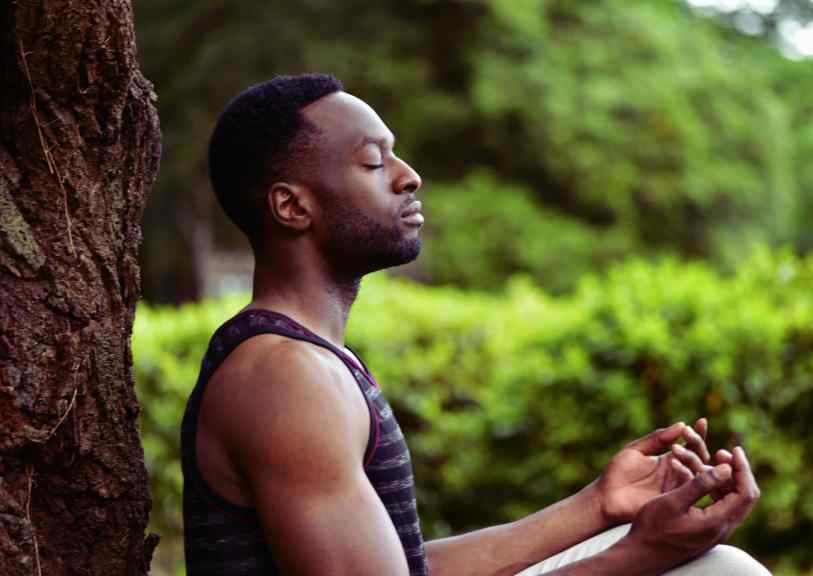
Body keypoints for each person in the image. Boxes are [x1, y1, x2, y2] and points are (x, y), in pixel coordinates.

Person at [180, 73, 770, 576]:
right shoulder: (284, 377)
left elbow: (405, 564)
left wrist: (600, 506)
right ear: (292, 206)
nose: (407, 176)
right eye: (372, 161)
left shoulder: (304, 359)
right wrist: (635, 556)